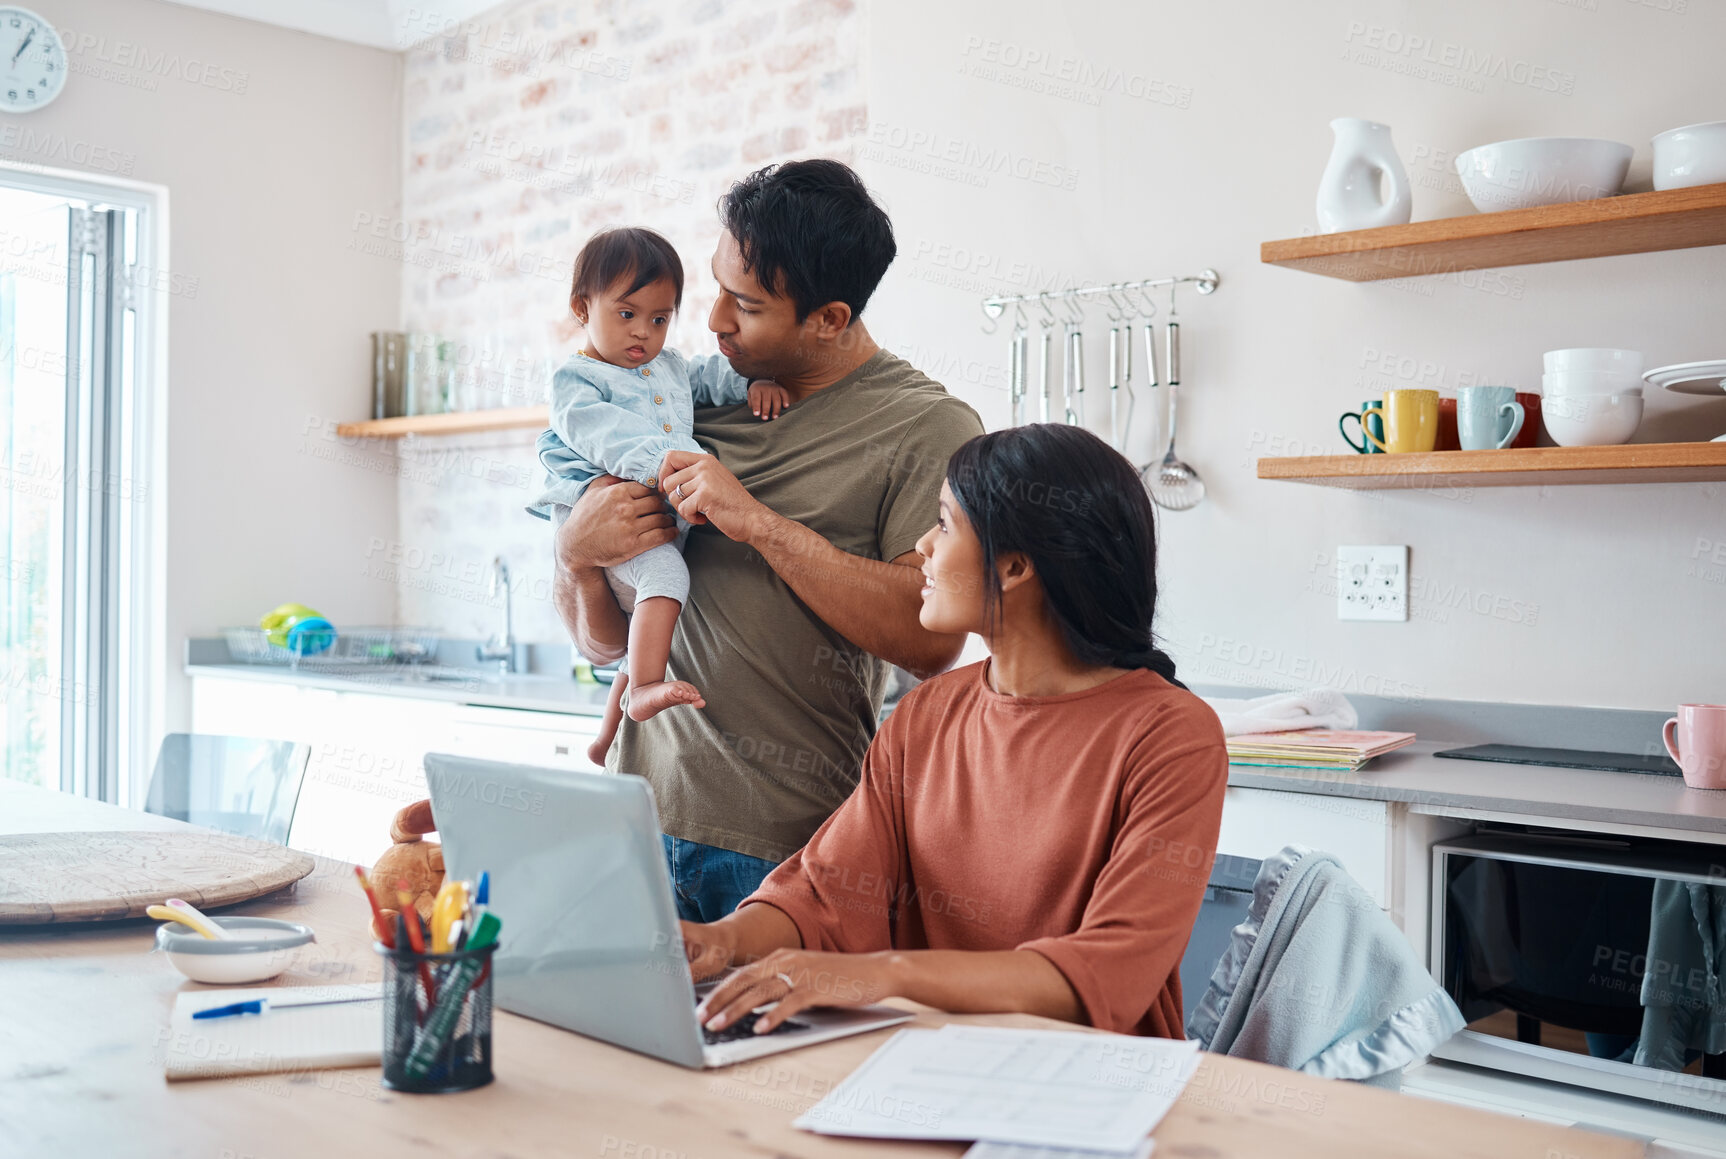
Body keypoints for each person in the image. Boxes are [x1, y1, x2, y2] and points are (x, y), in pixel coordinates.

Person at [682, 424, 1229, 1040]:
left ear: (1015, 566)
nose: (923, 546)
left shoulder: (1172, 736)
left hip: (1093, 1089)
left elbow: (1110, 974)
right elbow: (824, 893)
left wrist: (887, 975)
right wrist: (717, 941)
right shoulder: (927, 714)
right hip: (928, 1066)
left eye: (944, 524)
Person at [552, 161, 983, 921]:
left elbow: (926, 638)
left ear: (828, 317)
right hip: (634, 818)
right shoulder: (685, 401)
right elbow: (601, 644)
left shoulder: (926, 428)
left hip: (790, 844)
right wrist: (576, 555)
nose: (712, 321)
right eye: (716, 287)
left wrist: (754, 520)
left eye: (744, 304)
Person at [528, 227, 792, 765]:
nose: (643, 333)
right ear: (584, 307)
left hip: (645, 517)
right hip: (604, 509)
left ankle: (609, 733)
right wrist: (664, 465)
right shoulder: (576, 381)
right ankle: (645, 688)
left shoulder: (666, 367)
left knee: (651, 624)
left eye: (659, 319)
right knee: (668, 579)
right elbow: (599, 432)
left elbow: (708, 375)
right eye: (627, 315)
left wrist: (752, 383)